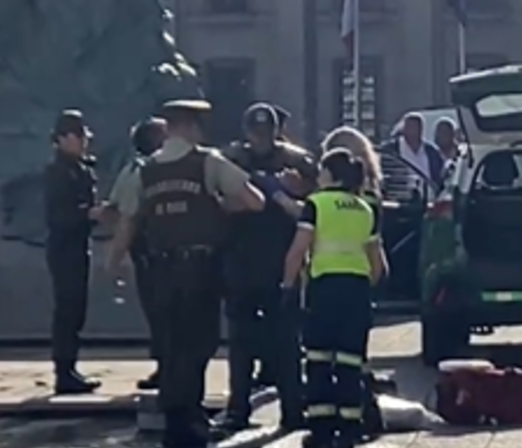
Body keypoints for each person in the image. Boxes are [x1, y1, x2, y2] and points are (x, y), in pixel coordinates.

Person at [106, 99, 265, 448]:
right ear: (192, 127)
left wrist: (114, 262)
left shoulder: (143, 171)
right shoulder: (207, 162)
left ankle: (176, 421)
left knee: (171, 343)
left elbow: (128, 222)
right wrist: (220, 206)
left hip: (160, 270)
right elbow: (255, 201)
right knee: (200, 343)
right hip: (201, 269)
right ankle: (190, 421)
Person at [217, 103, 316, 432]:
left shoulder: (295, 161)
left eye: (267, 132)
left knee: (286, 343)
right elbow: (218, 203)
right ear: (247, 132)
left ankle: (292, 409)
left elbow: (312, 200)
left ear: (276, 132)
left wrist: (295, 189)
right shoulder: (230, 160)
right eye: (256, 133)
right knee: (242, 344)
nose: (261, 139)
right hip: (241, 263)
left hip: (279, 265)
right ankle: (238, 410)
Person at [281, 148, 388, 448]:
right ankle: (351, 429)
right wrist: (367, 289)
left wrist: (287, 287)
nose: (317, 176)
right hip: (356, 291)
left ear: (331, 175)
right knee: (350, 362)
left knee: (318, 359)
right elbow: (378, 264)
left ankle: (322, 430)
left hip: (324, 289)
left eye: (322, 171)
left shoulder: (316, 204)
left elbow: (297, 251)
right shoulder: (366, 208)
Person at [44, 109, 104, 394]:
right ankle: (64, 372)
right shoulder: (58, 173)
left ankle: (70, 368)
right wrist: (89, 213)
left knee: (76, 309)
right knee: (67, 309)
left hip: (78, 245)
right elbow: (59, 215)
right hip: (64, 246)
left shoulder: (80, 169)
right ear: (63, 138)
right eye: (78, 136)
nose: (84, 142)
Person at [107, 117, 168, 390]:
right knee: (164, 312)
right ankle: (170, 367)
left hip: (152, 255)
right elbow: (123, 215)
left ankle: (168, 369)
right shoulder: (147, 171)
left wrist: (114, 258)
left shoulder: (135, 171)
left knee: (160, 313)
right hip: (158, 253)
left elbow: (124, 216)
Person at [380, 113, 446, 190]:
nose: (414, 130)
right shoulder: (390, 150)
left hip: (427, 196)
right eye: (410, 127)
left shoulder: (432, 151)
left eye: (417, 127)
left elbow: (439, 176)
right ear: (404, 129)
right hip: (399, 195)